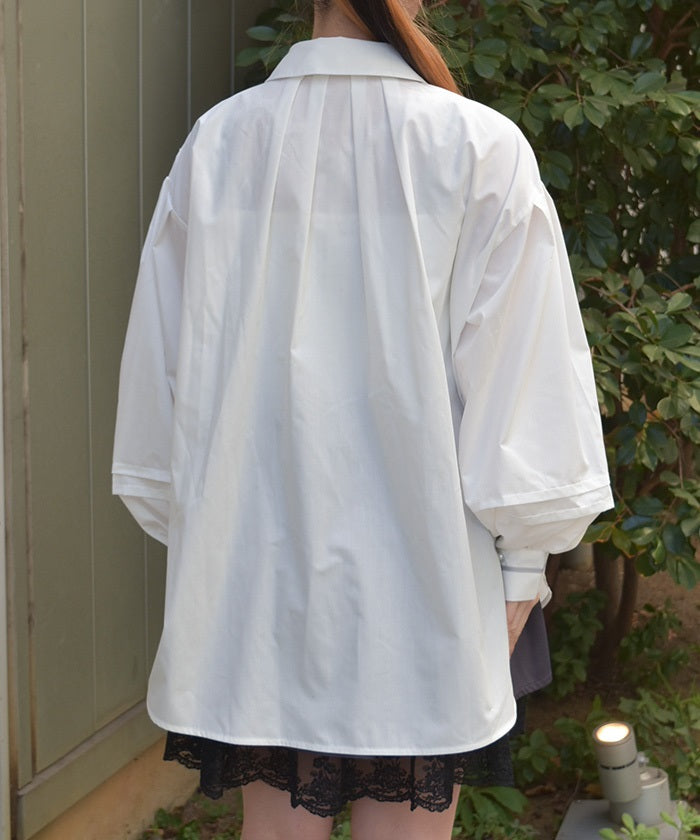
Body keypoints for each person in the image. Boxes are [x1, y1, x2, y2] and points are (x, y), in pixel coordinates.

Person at [112, 0, 613, 837]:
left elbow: (164, 401)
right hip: (424, 582)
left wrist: (209, 546)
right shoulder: (476, 147)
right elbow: (526, 386)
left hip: (256, 582)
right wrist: (526, 561)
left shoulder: (219, 146)